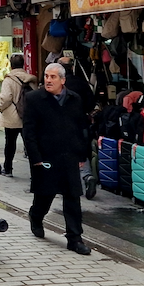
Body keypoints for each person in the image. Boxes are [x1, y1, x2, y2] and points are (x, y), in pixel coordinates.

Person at [21, 62, 93, 255]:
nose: (48, 80)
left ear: (63, 80)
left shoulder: (74, 99)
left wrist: (81, 154)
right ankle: (35, 217)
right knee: (45, 195)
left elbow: (80, 128)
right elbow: (29, 131)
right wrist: (35, 157)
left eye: (53, 77)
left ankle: (75, 238)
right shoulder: (34, 99)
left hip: (69, 155)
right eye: (46, 76)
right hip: (45, 156)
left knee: (72, 198)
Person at [58, 55, 98, 199]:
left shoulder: (58, 85)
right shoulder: (81, 83)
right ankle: (87, 176)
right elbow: (91, 103)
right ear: (72, 68)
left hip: (61, 124)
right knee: (81, 152)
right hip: (81, 123)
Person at [0, 54, 37, 177]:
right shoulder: (31, 79)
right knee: (30, 144)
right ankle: (35, 172)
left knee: (10, 143)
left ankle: (8, 169)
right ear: (23, 64)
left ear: (11, 65)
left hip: (12, 116)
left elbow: (5, 97)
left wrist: (1, 108)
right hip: (28, 116)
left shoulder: (8, 80)